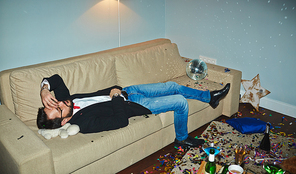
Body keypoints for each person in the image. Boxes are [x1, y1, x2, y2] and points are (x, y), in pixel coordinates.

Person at [37, 74, 230, 148]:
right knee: (180, 102)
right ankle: (181, 137)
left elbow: (56, 79)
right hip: (136, 105)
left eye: (55, 104)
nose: (61, 103)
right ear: (63, 122)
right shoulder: (85, 124)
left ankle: (209, 97)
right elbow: (121, 121)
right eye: (58, 110)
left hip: (130, 90)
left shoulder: (67, 101)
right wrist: (115, 97)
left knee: (173, 85)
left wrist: (44, 89)